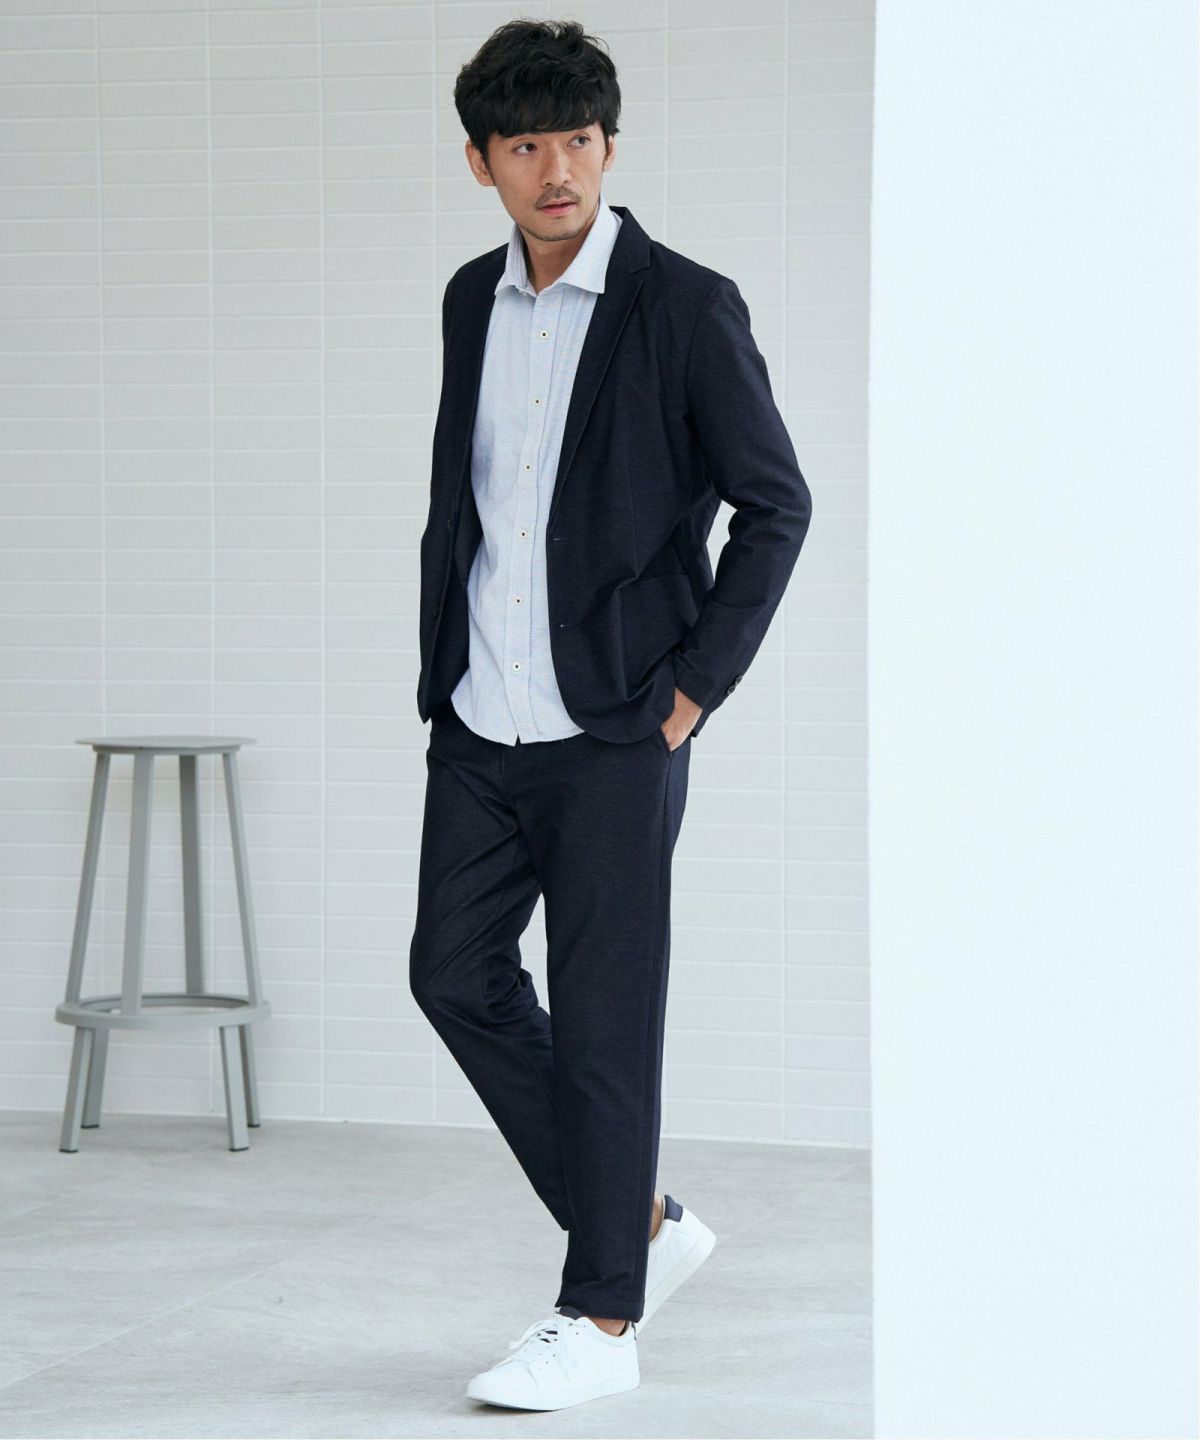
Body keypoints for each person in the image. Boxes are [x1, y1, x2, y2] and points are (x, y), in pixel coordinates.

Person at [409, 16, 812, 1412]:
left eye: (578, 140)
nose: (557, 170)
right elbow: (477, 503)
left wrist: (692, 693)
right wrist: (443, 673)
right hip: (480, 716)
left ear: (611, 146)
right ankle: (637, 1223)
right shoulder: (470, 299)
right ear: (483, 162)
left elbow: (776, 505)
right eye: (525, 146)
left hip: (619, 727)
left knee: (603, 1022)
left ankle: (601, 1318)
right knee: (452, 973)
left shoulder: (685, 306)